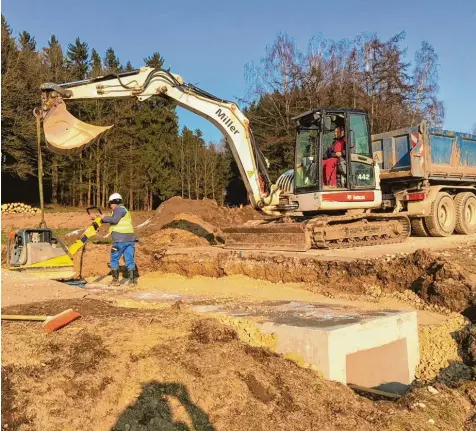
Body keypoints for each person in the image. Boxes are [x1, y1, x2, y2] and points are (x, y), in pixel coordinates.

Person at [95, 193, 137, 286]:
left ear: (115, 202)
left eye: (110, 204)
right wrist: (102, 219)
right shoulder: (124, 210)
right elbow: (115, 220)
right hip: (130, 240)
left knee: (114, 259)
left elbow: (114, 220)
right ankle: (132, 281)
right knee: (129, 259)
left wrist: (104, 217)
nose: (110, 206)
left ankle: (115, 281)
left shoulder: (118, 209)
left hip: (120, 240)